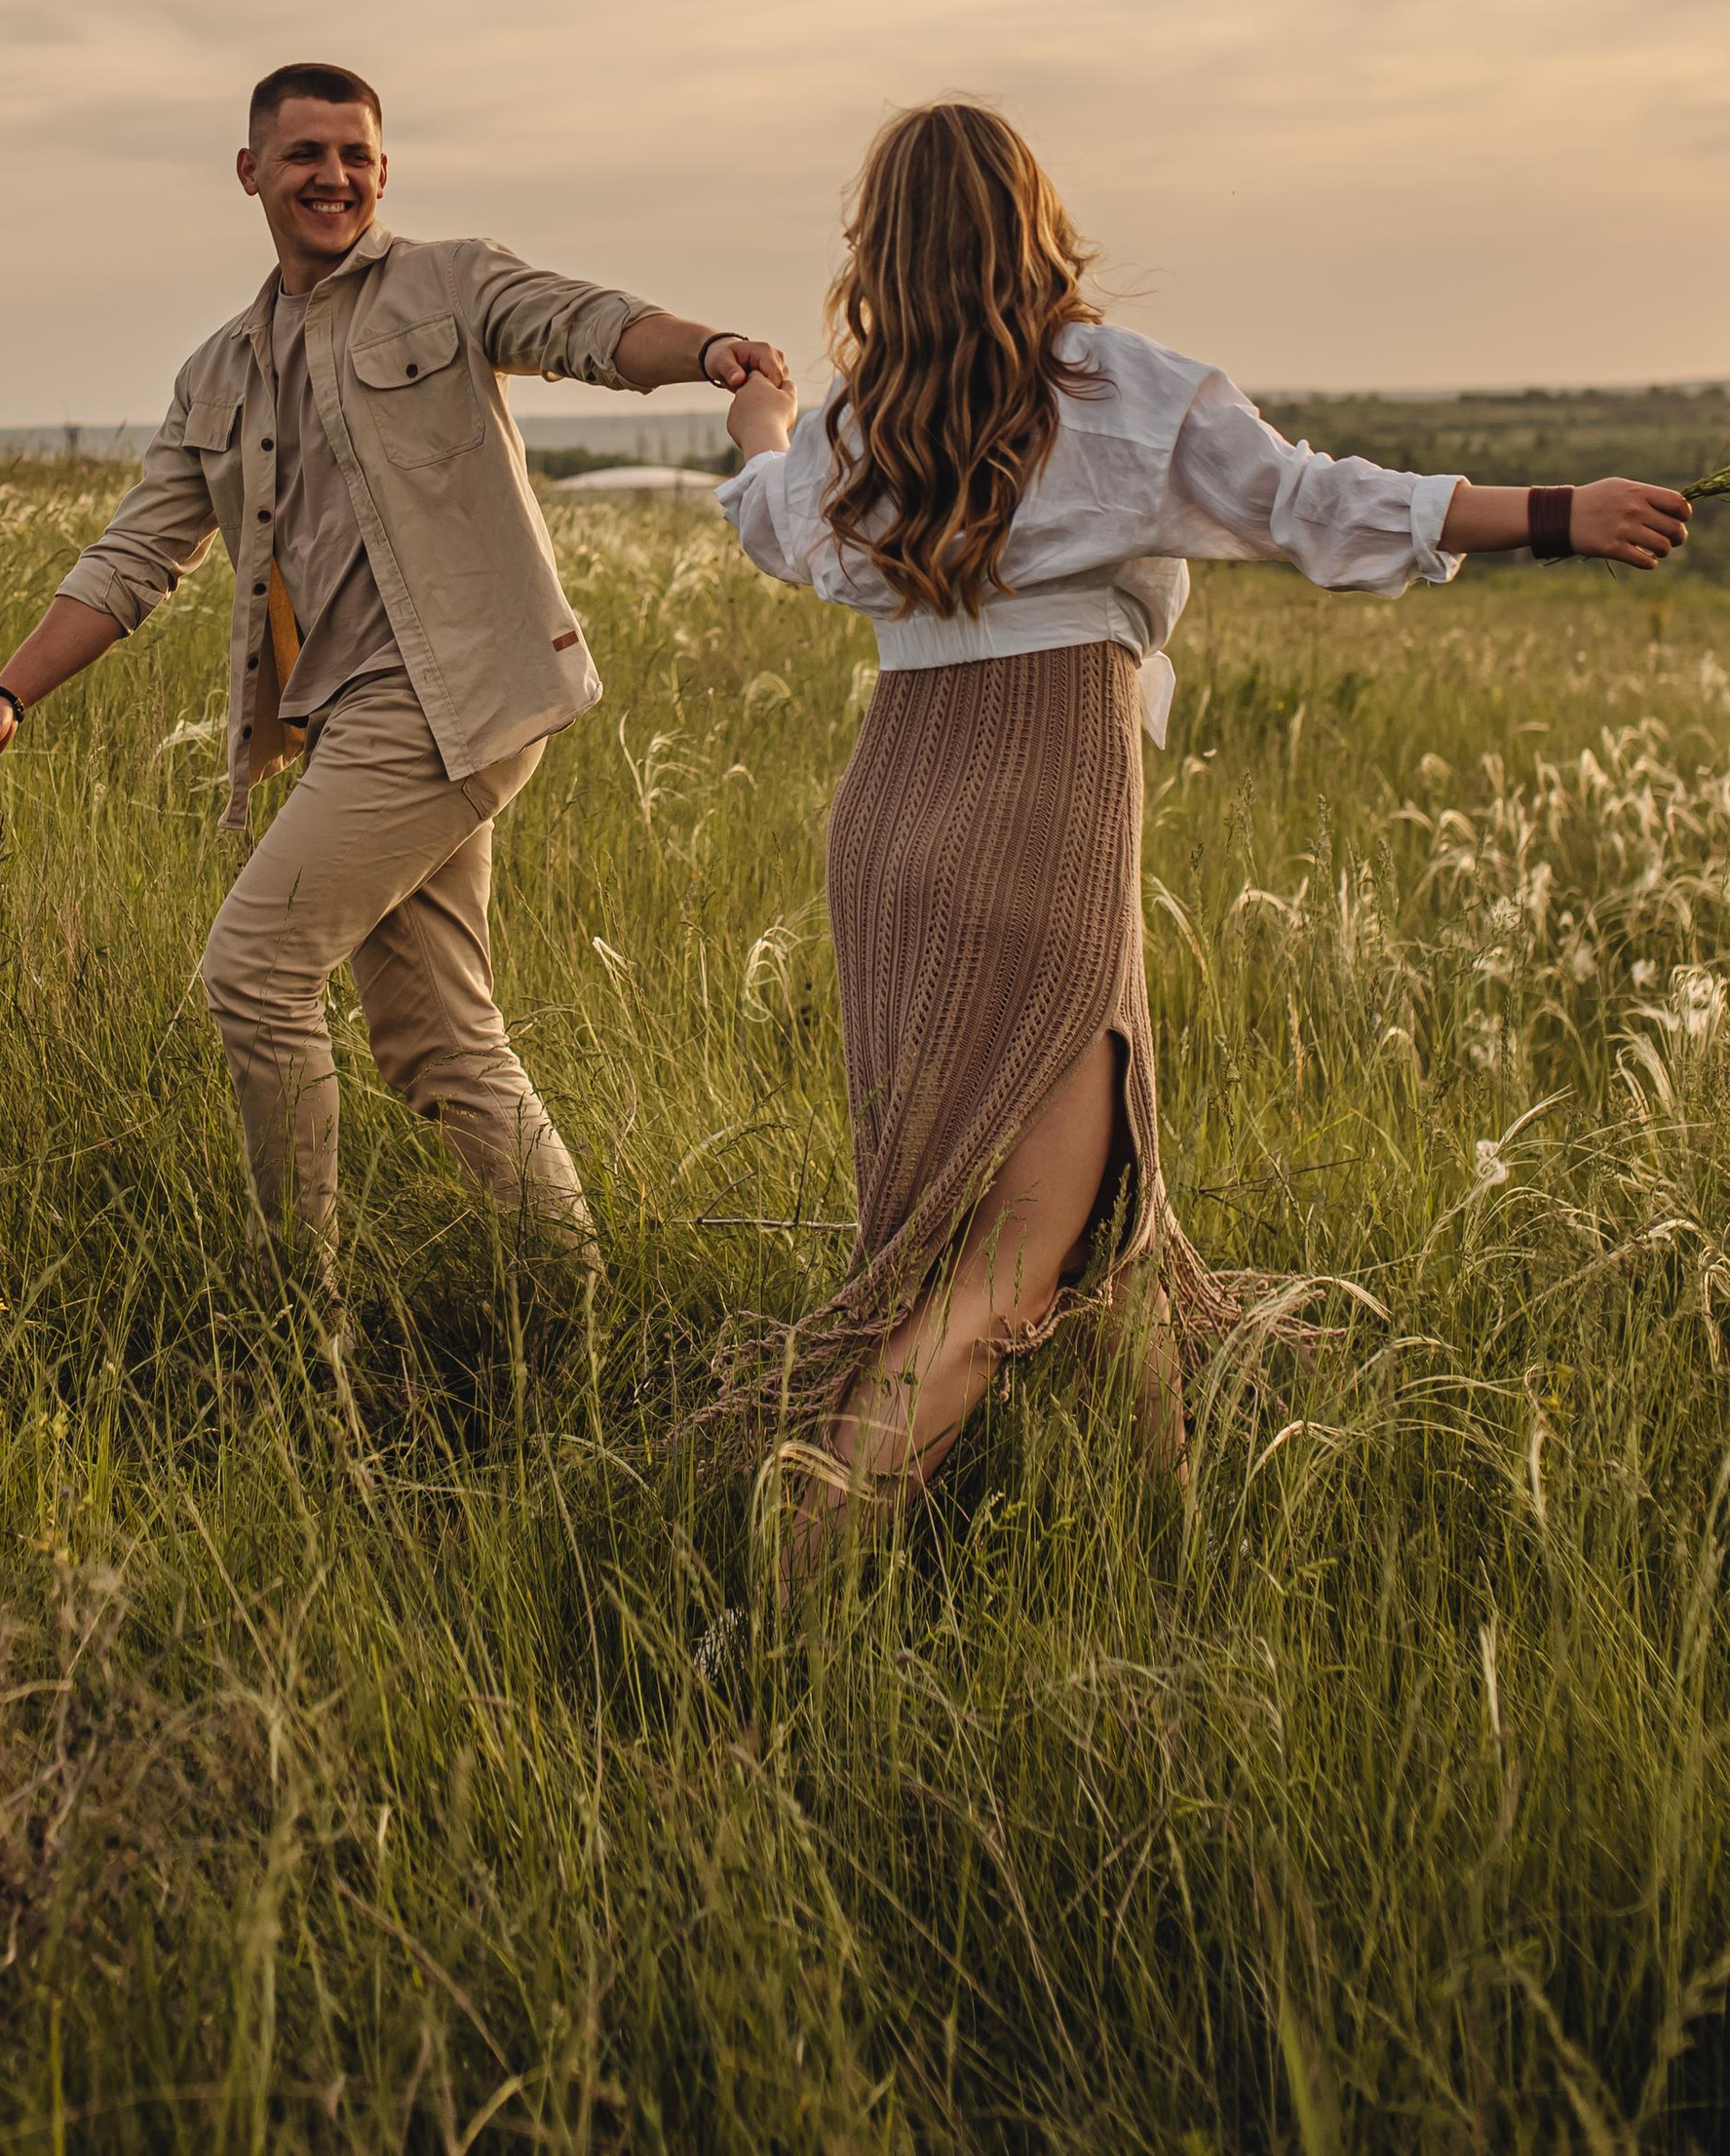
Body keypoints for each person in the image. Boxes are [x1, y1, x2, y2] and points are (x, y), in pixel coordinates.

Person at [712, 97, 1692, 1551]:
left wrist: (763, 415)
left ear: (883, 251)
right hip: (1041, 809)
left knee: (1093, 1205)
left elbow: (761, 505)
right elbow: (1309, 503)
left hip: (891, 821)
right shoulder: (1113, 387)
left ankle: (1164, 1557)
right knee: (1009, 1266)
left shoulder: (862, 420)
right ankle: (789, 1585)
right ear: (1032, 228)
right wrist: (1556, 512)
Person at [0, 60, 790, 1269]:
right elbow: (136, 554)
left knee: (254, 971)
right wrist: (6, 693)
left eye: (354, 155)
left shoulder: (450, 283)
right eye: (305, 154)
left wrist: (711, 353)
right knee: (436, 1040)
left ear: (383, 171)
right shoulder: (220, 372)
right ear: (251, 173)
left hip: (458, 695)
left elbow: (589, 325)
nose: (332, 176)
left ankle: (299, 1310)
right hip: (348, 721)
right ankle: (574, 1306)